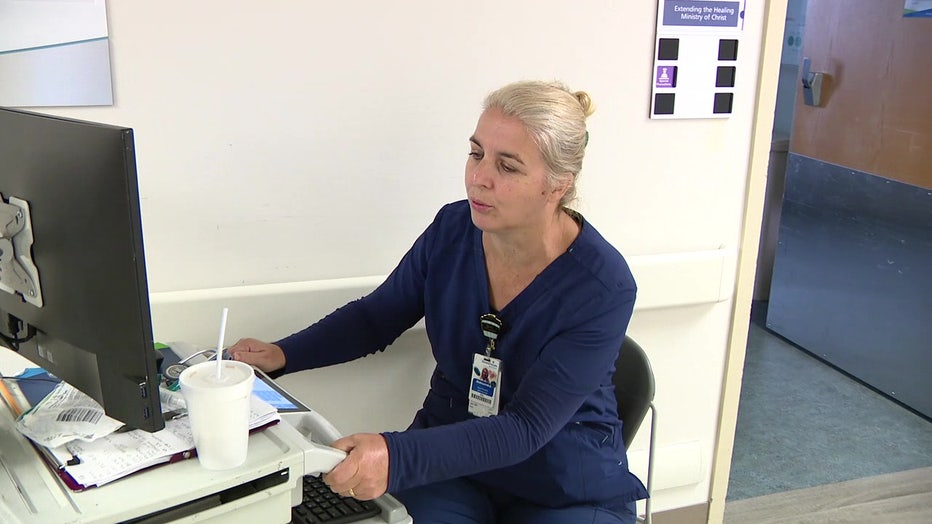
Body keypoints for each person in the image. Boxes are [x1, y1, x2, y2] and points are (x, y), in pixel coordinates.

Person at [228, 80, 647, 523]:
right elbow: (376, 318)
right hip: (454, 470)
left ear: (557, 185)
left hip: (561, 487)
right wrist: (282, 354)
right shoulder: (452, 229)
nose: (479, 177)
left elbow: (526, 428)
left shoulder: (602, 286)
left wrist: (396, 455)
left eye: (508, 167)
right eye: (476, 153)